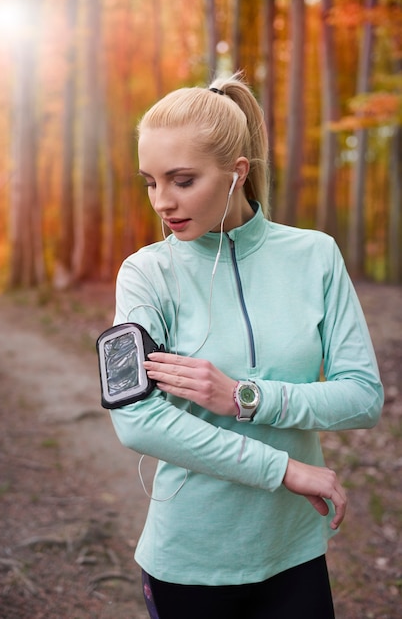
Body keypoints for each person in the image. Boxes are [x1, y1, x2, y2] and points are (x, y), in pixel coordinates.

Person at [108, 73, 384, 619]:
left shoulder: (316, 257)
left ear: (238, 174)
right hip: (190, 561)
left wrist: (246, 397)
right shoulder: (145, 274)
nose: (162, 202)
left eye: (182, 180)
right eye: (150, 182)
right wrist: (285, 469)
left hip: (295, 554)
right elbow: (135, 419)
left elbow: (363, 397)